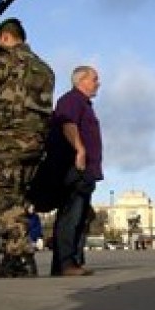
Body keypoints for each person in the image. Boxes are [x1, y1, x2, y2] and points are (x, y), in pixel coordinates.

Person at [0, 17, 55, 278]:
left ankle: (22, 256)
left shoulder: (0, 62)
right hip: (35, 144)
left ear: (5, 37)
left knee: (1, 198)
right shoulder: (45, 69)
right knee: (18, 199)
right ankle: (13, 256)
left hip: (5, 142)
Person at [47, 66, 103, 277]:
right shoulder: (72, 100)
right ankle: (65, 263)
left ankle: (72, 262)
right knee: (71, 216)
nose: (98, 83)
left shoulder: (84, 103)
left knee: (79, 218)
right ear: (81, 80)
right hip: (75, 168)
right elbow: (68, 124)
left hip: (86, 169)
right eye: (95, 79)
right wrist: (79, 149)